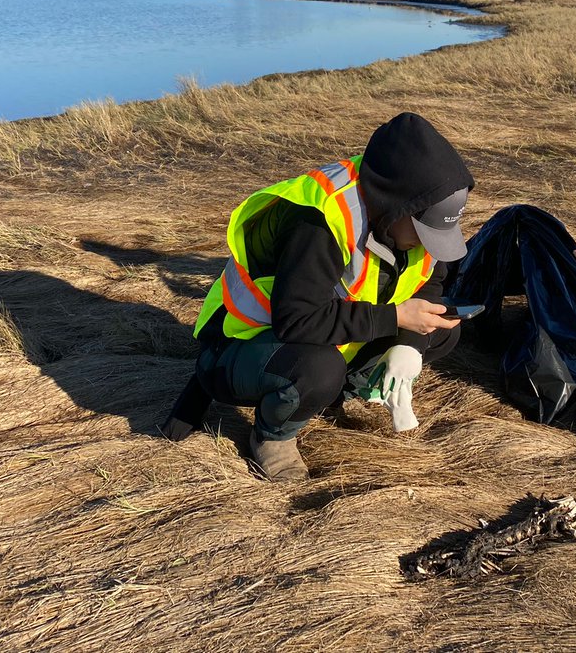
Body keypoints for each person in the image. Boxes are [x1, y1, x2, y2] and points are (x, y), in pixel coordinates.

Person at [162, 112, 474, 481]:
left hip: (327, 334)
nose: (428, 245)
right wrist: (396, 318)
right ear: (397, 207)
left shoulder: (412, 219)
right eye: (423, 232)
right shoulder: (321, 220)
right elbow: (297, 320)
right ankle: (272, 436)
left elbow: (429, 285)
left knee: (441, 328)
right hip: (241, 342)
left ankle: (334, 392)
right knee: (319, 371)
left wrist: (408, 345)